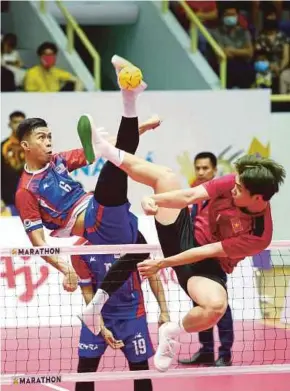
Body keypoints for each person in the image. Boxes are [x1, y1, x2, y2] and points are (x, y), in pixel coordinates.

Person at [77, 119, 285, 373]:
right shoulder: (232, 182)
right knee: (165, 176)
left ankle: (172, 331)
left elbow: (208, 251)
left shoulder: (259, 234)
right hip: (184, 232)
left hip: (206, 264)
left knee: (216, 307)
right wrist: (153, 199)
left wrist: (163, 263)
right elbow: (189, 196)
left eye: (239, 189)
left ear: (258, 198)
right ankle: (107, 151)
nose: (233, 188)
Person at [15, 54, 160, 293]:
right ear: (25, 146)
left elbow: (111, 145)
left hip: (103, 210)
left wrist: (144, 126)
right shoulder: (26, 190)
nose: (49, 142)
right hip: (92, 222)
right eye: (41, 138)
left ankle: (162, 315)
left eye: (50, 136)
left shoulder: (58, 160)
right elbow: (39, 243)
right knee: (115, 160)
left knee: (143, 252)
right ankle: (130, 97)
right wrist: (66, 269)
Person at [72, 237, 169, 391]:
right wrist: (101, 327)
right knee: (85, 371)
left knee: (141, 371)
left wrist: (164, 311)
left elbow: (153, 276)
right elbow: (87, 292)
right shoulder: (79, 249)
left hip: (133, 316)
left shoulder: (133, 239)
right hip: (98, 317)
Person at [177, 152, 234, 367]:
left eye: (205, 168)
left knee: (221, 306)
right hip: (195, 254)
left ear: (214, 170)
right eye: (198, 168)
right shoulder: (194, 191)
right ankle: (207, 351)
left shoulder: (223, 195)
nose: (201, 172)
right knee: (200, 303)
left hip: (214, 255)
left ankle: (225, 353)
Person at [210, 4, 254, 89]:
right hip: (226, 65)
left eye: (233, 15)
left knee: (249, 71)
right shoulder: (216, 33)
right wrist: (241, 51)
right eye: (228, 15)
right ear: (222, 17)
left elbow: (250, 52)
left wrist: (232, 50)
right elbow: (223, 53)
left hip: (243, 65)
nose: (231, 17)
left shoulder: (244, 32)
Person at [1, 111, 26, 213]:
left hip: (29, 198)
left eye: (21, 122)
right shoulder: (3, 146)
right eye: (15, 122)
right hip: (8, 199)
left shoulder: (33, 146)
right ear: (9, 124)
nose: (18, 125)